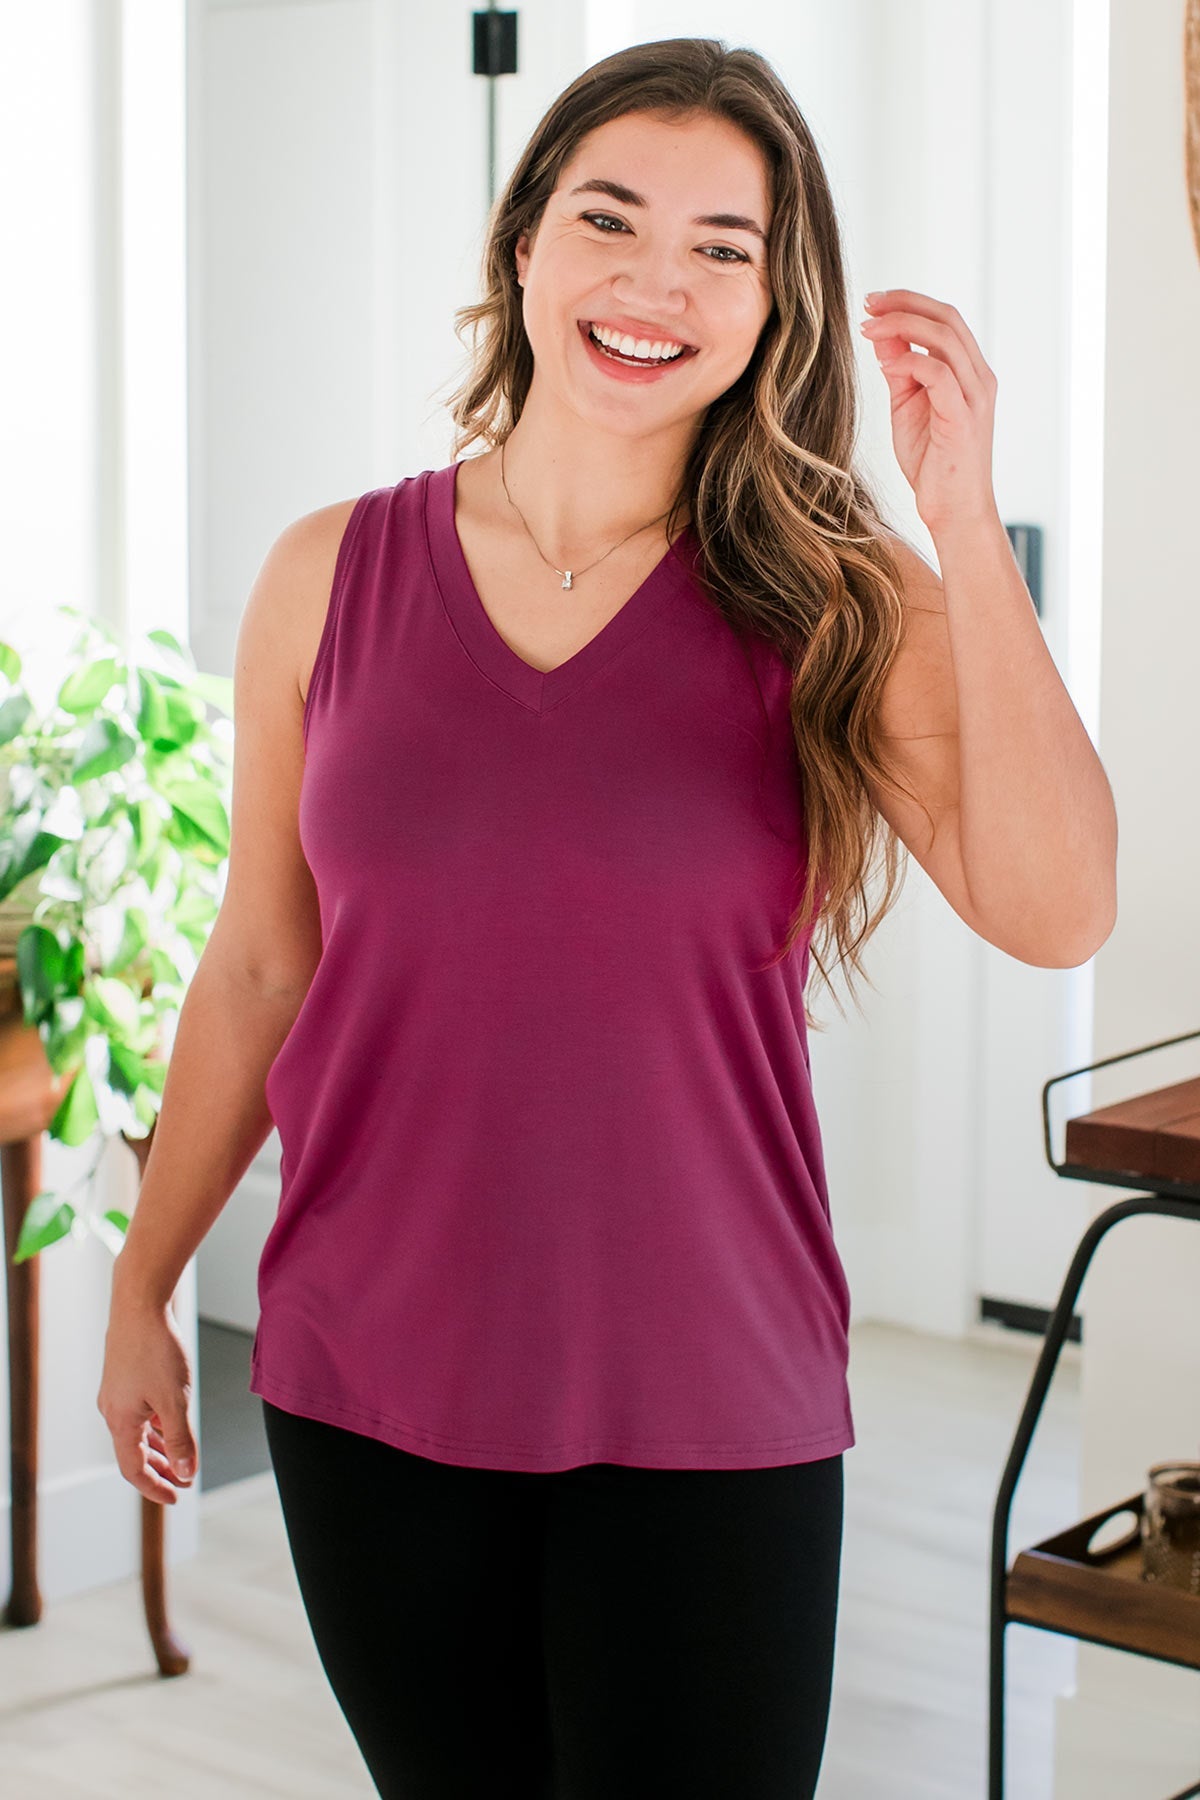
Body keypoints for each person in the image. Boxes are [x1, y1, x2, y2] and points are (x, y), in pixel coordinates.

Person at [97, 35, 1117, 1800]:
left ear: (775, 304)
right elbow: (265, 962)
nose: (660, 281)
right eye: (612, 219)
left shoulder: (836, 599)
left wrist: (955, 516)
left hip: (711, 1403)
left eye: (726, 246)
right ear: (524, 245)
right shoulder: (327, 574)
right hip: (368, 1382)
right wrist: (142, 1279)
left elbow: (1057, 908)